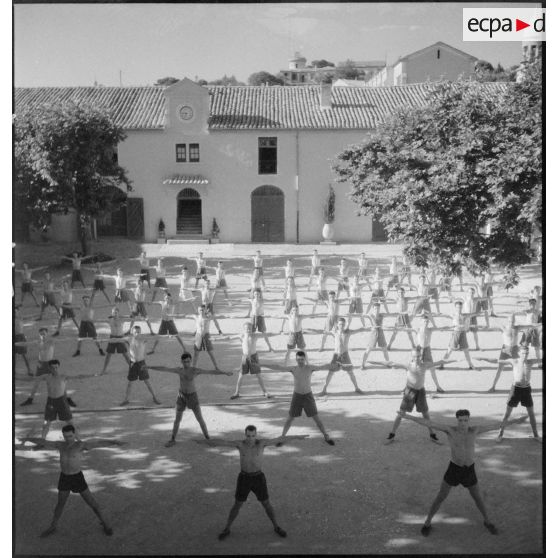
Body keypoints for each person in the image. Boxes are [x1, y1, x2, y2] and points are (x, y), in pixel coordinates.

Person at [398, 409, 529, 536]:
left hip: (469, 471)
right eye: (460, 420)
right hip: (454, 469)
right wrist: (408, 417)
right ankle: (427, 523)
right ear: (457, 420)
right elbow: (428, 423)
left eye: (465, 420)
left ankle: (487, 521)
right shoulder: (450, 430)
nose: (462, 423)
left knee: (477, 497)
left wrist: (517, 420)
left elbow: (497, 425)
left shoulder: (475, 430)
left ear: (468, 420)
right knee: (440, 496)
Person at [199, 425, 307, 540]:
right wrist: (205, 441)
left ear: (256, 435)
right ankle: (227, 529)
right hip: (244, 479)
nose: (250, 439)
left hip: (258, 478)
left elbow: (279, 439)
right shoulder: (240, 444)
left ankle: (276, 526)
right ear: (245, 435)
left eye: (253, 436)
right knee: (237, 505)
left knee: (266, 504)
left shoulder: (261, 444)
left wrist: (297, 436)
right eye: (248, 436)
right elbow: (222, 442)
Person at [21, 424, 124, 537]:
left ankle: (105, 524)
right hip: (65, 478)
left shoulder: (81, 445)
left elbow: (99, 443)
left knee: (92, 503)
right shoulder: (60, 445)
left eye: (70, 436)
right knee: (60, 504)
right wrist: (27, 439)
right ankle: (53, 526)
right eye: (65, 436)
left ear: (74, 434)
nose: (68, 439)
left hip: (77, 478)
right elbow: (43, 442)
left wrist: (115, 442)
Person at [150, 352, 233, 446]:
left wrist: (224, 373)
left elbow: (211, 371)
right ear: (181, 361)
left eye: (188, 361)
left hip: (192, 396)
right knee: (177, 420)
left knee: (200, 419)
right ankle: (172, 439)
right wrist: (148, 367)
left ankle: (208, 438)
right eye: (184, 362)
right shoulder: (179, 370)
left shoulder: (195, 371)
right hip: (181, 396)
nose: (186, 364)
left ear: (191, 361)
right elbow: (164, 368)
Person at [259, 351, 336, 445]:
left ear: (305, 359)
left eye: (302, 359)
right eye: (298, 359)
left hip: (308, 396)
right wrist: (261, 364)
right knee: (290, 418)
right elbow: (278, 367)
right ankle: (282, 437)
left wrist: (335, 365)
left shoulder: (310, 368)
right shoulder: (293, 369)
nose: (300, 361)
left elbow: (324, 366)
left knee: (316, 418)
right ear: (296, 359)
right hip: (297, 396)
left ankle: (326, 435)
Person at [384, 347, 448, 444]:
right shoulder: (408, 365)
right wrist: (375, 362)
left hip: (421, 392)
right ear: (412, 357)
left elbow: (439, 362)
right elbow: (391, 363)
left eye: (419, 356)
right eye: (415, 356)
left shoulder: (425, 365)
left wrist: (455, 360)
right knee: (401, 413)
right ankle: (392, 434)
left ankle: (432, 434)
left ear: (421, 356)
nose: (417, 358)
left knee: (426, 414)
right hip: (410, 391)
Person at [480, 345, 542, 442]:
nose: (525, 355)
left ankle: (536, 435)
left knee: (531, 414)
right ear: (519, 353)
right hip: (515, 389)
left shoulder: (530, 362)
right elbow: (497, 361)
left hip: (526, 389)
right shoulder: (514, 361)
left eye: (526, 353)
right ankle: (500, 434)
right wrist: (483, 358)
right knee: (507, 413)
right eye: (523, 353)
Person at [30, 360, 94, 439]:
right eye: (53, 367)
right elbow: (31, 379)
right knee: (46, 423)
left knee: (70, 423)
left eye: (56, 367)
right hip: (51, 402)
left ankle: (79, 441)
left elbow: (79, 376)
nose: (55, 369)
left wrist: (94, 375)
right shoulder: (46, 377)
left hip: (62, 402)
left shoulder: (63, 376)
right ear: (49, 368)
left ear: (58, 367)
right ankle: (42, 441)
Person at [19, 329, 76, 408]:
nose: (42, 335)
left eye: (44, 334)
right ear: (39, 335)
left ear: (47, 334)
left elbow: (63, 340)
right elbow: (25, 343)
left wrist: (78, 339)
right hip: (40, 365)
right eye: (41, 334)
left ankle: (67, 398)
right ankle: (30, 399)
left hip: (50, 365)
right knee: (36, 383)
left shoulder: (51, 342)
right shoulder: (38, 342)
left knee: (59, 381)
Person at [319, 317, 366, 396]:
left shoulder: (348, 332)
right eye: (340, 324)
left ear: (345, 324)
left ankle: (357, 388)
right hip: (336, 355)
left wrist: (368, 328)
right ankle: (324, 390)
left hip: (345, 355)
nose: (342, 325)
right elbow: (323, 331)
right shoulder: (334, 332)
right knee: (330, 373)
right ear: (337, 324)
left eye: (343, 324)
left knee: (350, 373)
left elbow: (359, 330)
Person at [229, 322, 273, 400]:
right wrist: (216, 339)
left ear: (252, 328)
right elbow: (229, 337)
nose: (248, 329)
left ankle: (265, 391)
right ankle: (236, 393)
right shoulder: (241, 336)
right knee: (241, 375)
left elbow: (267, 334)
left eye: (249, 328)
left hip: (254, 357)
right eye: (246, 328)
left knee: (258, 375)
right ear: (244, 329)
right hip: (245, 357)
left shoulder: (255, 335)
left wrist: (278, 333)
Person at [120, 326, 161, 406]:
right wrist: (104, 340)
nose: (137, 333)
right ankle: (126, 399)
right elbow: (117, 339)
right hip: (133, 364)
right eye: (135, 332)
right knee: (130, 383)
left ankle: (155, 397)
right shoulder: (129, 339)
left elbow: (155, 337)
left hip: (142, 363)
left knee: (147, 382)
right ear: (132, 332)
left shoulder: (143, 339)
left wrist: (168, 336)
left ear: (140, 332)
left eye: (138, 332)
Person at [439, 301, 478, 370]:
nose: (459, 308)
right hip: (455, 333)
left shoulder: (464, 315)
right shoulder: (453, 315)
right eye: (457, 307)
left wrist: (483, 312)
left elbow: (473, 314)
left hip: (463, 333)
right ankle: (441, 364)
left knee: (466, 351)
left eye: (460, 307)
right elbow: (443, 315)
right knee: (449, 350)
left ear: (462, 307)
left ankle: (470, 365)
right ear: (455, 307)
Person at [411, 313, 445, 393]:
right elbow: (407, 329)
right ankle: (409, 387)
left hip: (427, 350)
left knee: (432, 369)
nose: (425, 323)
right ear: (420, 322)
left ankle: (438, 387)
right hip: (419, 350)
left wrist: (453, 327)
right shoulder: (417, 329)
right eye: (424, 321)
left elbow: (441, 328)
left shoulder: (430, 330)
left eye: (427, 322)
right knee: (413, 369)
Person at [188, 305, 222, 370]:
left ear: (205, 310)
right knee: (196, 353)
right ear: (198, 310)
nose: (201, 311)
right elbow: (184, 316)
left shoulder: (208, 317)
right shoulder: (196, 317)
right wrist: (172, 315)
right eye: (200, 310)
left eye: (202, 310)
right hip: (198, 336)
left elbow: (220, 317)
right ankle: (193, 367)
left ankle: (216, 367)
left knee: (210, 353)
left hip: (206, 335)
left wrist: (230, 316)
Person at [361, 302, 393, 368]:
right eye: (375, 308)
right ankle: (362, 364)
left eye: (378, 308)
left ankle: (388, 363)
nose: (377, 309)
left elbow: (391, 314)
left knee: (384, 349)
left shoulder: (382, 315)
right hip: (373, 332)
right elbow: (362, 315)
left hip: (381, 332)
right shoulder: (370, 315)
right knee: (368, 349)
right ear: (373, 308)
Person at [99, 307, 130, 375]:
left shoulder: (122, 319)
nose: (114, 314)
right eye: (113, 312)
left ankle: (131, 368)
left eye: (115, 312)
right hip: (112, 338)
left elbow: (132, 318)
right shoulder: (110, 320)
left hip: (120, 338)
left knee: (125, 354)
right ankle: (104, 370)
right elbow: (100, 321)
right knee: (108, 355)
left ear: (118, 313)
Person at [14, 305, 32, 375]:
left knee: (24, 355)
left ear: (18, 312)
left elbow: (29, 316)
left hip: (20, 338)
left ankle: (29, 370)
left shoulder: (20, 318)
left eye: (15, 311)